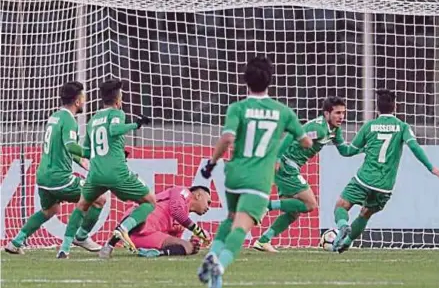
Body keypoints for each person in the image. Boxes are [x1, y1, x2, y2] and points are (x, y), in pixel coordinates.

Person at [197, 56, 313, 288]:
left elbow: (228, 138)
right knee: (241, 227)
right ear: (270, 80)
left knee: (230, 219)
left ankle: (212, 256)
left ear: (245, 81)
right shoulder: (283, 111)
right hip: (259, 179)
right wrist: (294, 135)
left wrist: (211, 163)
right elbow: (306, 142)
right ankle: (220, 265)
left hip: (234, 175)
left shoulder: (237, 108)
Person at [332, 89, 439, 253]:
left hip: (364, 179)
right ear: (394, 106)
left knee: (341, 205)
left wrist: (336, 135)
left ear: (377, 108)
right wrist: (432, 168)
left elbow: (348, 152)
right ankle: (346, 242)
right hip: (385, 186)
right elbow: (414, 147)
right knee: (365, 213)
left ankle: (343, 226)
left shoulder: (369, 126)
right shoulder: (402, 127)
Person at [57, 79, 154, 258]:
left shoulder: (93, 120)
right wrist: (136, 124)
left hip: (96, 174)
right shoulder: (117, 113)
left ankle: (65, 247)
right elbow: (115, 129)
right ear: (118, 99)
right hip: (117, 173)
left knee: (83, 205)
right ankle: (123, 229)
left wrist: (107, 154)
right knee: (149, 202)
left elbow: (87, 150)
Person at [6, 81, 105, 254]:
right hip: (59, 179)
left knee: (50, 209)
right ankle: (78, 239)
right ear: (77, 100)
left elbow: (62, 147)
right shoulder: (69, 121)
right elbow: (70, 145)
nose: (85, 100)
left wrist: (80, 161)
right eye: (83, 97)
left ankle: (16, 242)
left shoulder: (55, 117)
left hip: (43, 177)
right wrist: (92, 154)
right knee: (99, 198)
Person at [254, 96, 361, 252]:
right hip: (286, 164)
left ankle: (264, 240)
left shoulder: (334, 130)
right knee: (310, 205)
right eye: (337, 113)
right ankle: (265, 206)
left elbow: (345, 151)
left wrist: (364, 147)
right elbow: (293, 134)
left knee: (293, 213)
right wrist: (277, 158)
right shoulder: (318, 129)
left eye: (343, 113)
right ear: (326, 113)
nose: (341, 117)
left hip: (292, 166)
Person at [99, 185, 212, 258]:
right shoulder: (183, 192)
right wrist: (199, 232)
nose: (208, 207)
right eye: (208, 202)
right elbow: (176, 211)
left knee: (187, 246)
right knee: (143, 215)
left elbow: (172, 241)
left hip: (143, 238)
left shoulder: (181, 224)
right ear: (198, 195)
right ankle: (111, 243)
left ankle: (155, 254)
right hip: (139, 221)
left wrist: (194, 244)